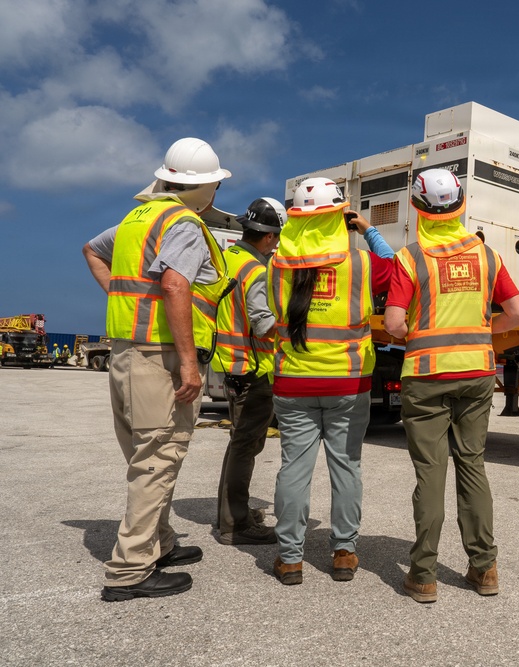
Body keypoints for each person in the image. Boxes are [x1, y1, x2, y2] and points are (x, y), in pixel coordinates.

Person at [83, 137, 232, 602]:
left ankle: (159, 542)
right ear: (204, 187)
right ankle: (129, 570)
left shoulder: (138, 218)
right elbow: (173, 285)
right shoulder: (183, 223)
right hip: (159, 356)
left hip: (126, 352)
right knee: (158, 458)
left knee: (146, 455)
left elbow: (92, 250)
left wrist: (124, 300)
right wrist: (188, 363)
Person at [384, 168, 519, 604]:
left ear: (417, 208)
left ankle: (424, 576)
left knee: (431, 472)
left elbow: (394, 323)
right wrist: (484, 330)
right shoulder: (488, 256)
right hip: (477, 373)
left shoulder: (410, 258)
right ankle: (484, 569)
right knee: (472, 465)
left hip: (426, 376)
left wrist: (416, 334)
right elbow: (518, 316)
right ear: (461, 203)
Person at [267, 177, 394, 586]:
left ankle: (290, 559)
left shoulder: (276, 265)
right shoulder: (361, 263)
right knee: (346, 467)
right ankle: (344, 553)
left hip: (293, 381)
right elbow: (396, 269)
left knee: (293, 469)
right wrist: (367, 230)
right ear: (340, 214)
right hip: (348, 383)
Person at [211, 197, 287, 546]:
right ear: (269, 236)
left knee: (242, 443)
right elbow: (263, 325)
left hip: (230, 364)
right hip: (254, 369)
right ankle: (235, 524)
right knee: (244, 446)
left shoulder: (229, 258)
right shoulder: (256, 271)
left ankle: (232, 514)